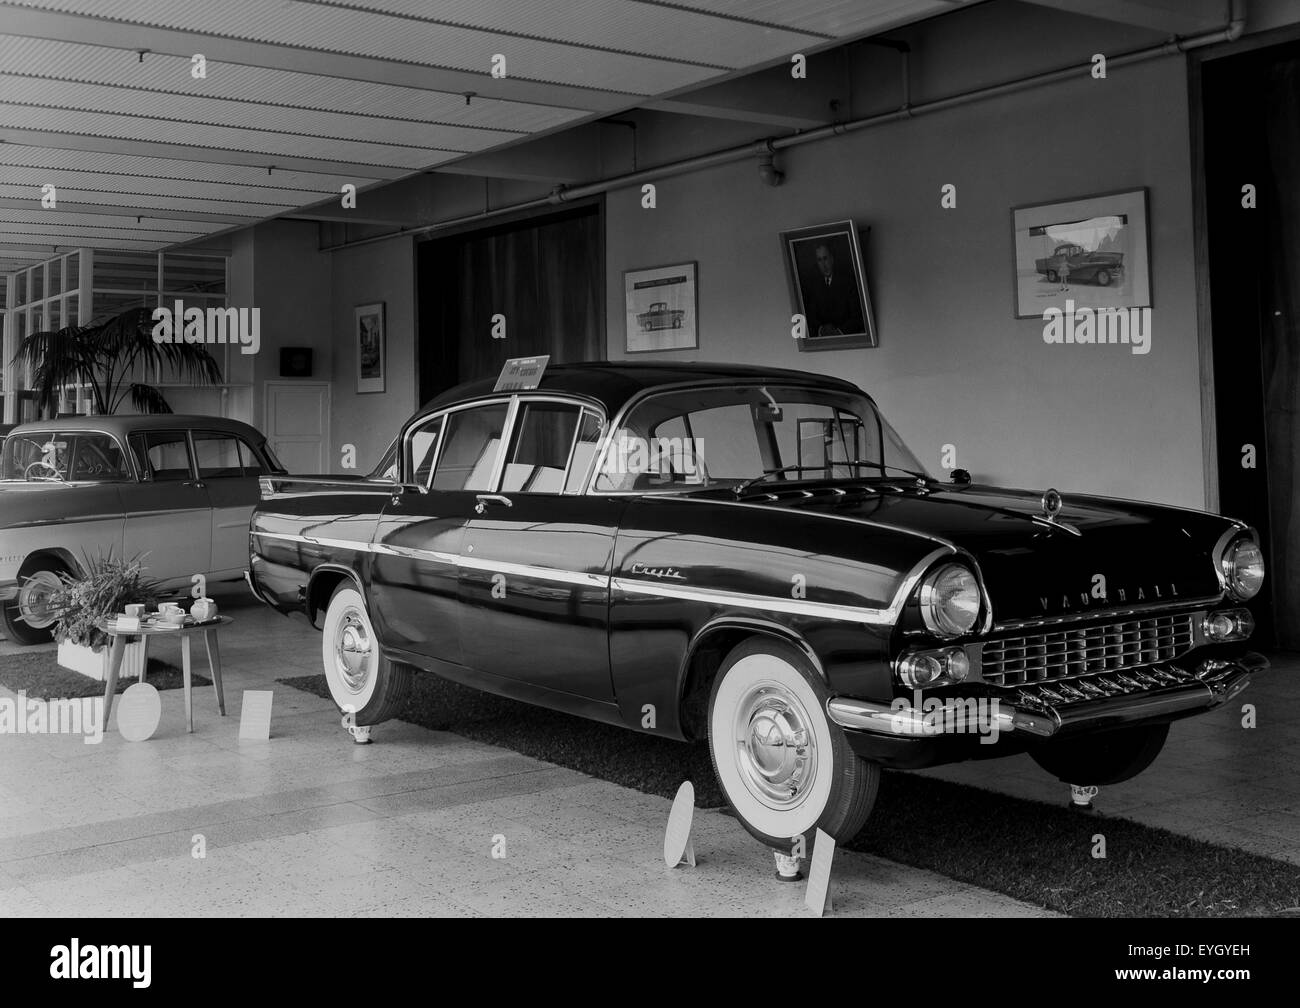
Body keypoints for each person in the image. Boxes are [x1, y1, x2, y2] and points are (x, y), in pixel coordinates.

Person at [805, 243, 864, 337]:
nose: (823, 265)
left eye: (825, 258)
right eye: (819, 260)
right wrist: (821, 329)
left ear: (832, 259)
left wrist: (839, 332)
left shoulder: (848, 282)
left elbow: (858, 317)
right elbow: (811, 318)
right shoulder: (813, 286)